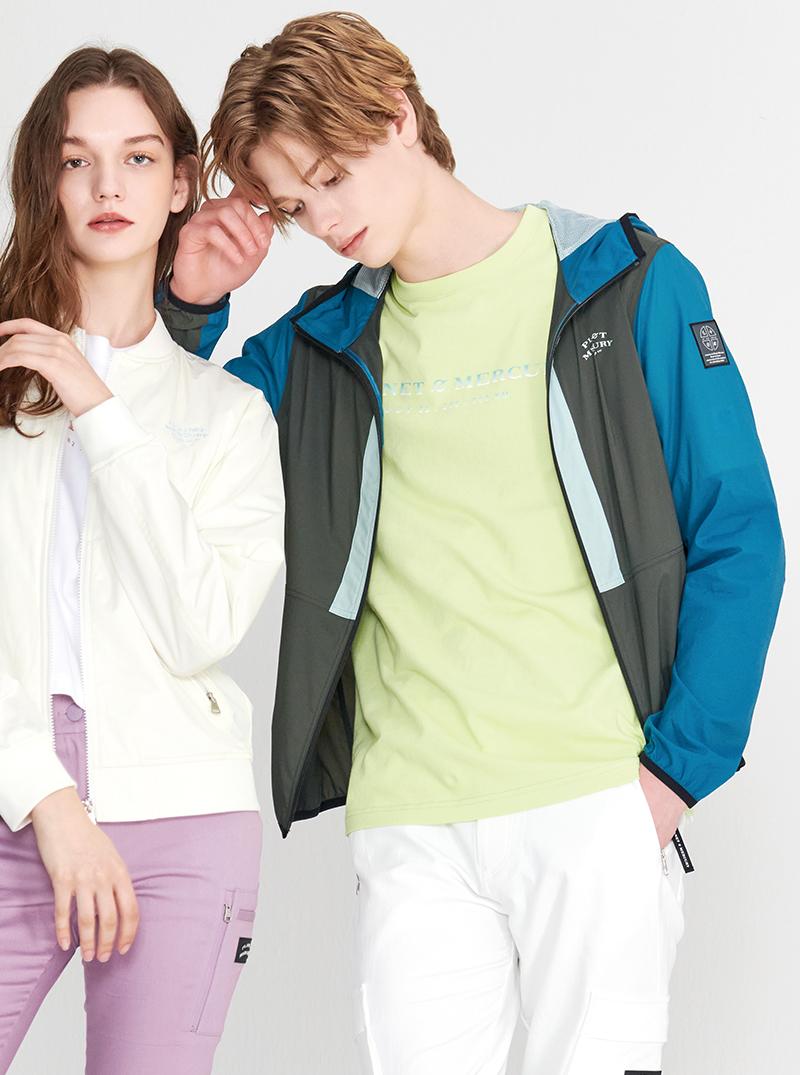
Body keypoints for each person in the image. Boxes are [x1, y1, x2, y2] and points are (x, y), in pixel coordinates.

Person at [157, 11, 784, 1074]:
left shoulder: (622, 279)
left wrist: (670, 778)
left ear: (397, 115)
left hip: (595, 797)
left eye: (332, 176)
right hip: (412, 823)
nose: (324, 218)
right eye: (295, 206)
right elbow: (163, 473)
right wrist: (187, 304)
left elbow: (738, 533)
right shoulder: (314, 349)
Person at [0, 47, 284, 1075]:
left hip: (183, 817)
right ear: (44, 181)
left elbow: (200, 624)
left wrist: (101, 411)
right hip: (14, 789)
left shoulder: (229, 414)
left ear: (180, 184)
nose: (107, 186)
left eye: (138, 157)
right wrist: (45, 792)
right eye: (76, 161)